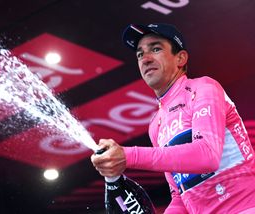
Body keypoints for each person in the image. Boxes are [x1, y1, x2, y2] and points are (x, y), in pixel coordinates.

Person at [91, 23, 255, 213]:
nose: (145, 59)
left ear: (181, 58)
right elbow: (181, 195)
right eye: (140, 54)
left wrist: (128, 156)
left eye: (156, 48)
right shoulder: (155, 125)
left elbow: (207, 155)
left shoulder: (204, 87)